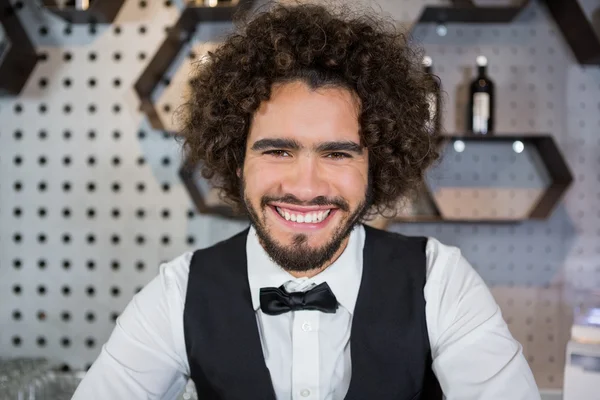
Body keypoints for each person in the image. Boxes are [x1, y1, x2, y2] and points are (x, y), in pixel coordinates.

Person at [72, 2, 541, 399]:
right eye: (278, 150)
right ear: (237, 161)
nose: (305, 185)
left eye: (337, 153)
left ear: (373, 166)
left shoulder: (440, 281)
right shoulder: (177, 292)